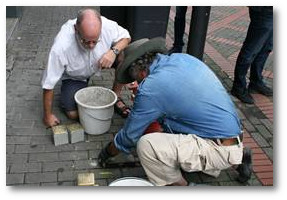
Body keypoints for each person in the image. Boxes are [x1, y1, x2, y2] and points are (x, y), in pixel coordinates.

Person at [98, 37, 253, 186]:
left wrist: (107, 152)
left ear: (142, 73)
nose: (138, 83)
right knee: (163, 123)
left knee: (147, 146)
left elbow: (129, 136)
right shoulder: (181, 59)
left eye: (137, 79)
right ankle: (239, 158)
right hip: (233, 134)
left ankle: (182, 187)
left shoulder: (152, 87)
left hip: (219, 148)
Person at [41, 8, 131, 127]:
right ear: (75, 29)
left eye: (95, 41)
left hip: (101, 63)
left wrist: (113, 52)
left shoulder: (107, 25)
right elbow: (48, 84)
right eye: (86, 41)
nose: (91, 46)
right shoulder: (61, 46)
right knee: (73, 114)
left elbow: (126, 37)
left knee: (124, 55)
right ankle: (76, 89)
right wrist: (48, 116)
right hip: (76, 77)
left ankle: (116, 96)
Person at [231, 6, 273, 104]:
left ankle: (256, 81)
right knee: (251, 49)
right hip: (264, 10)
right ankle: (238, 87)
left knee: (266, 48)